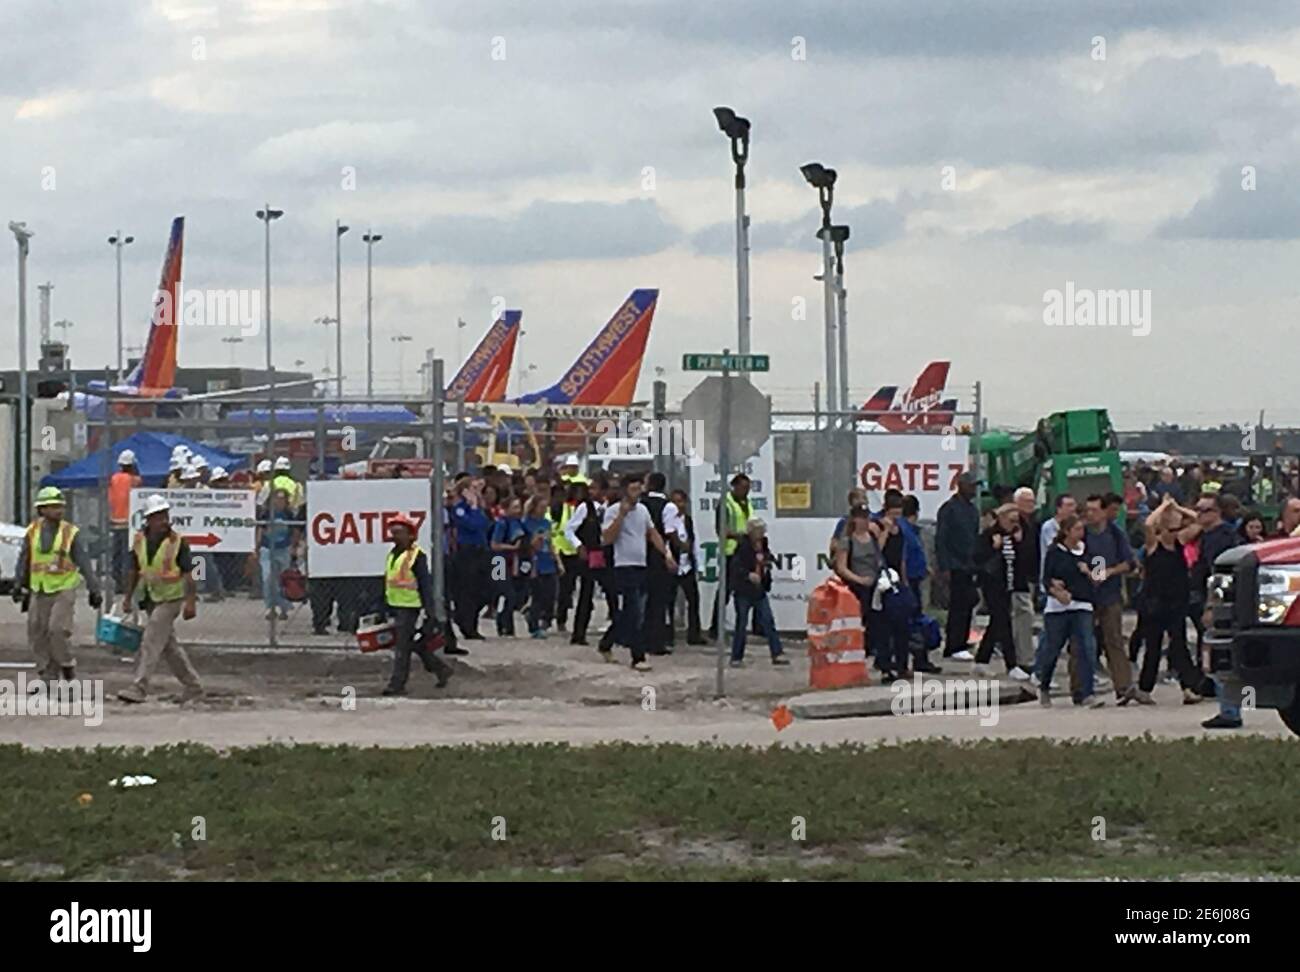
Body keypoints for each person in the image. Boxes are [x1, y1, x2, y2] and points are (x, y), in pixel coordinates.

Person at [117, 494, 202, 703]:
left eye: (165, 516)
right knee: (169, 647)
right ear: (149, 519)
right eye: (158, 516)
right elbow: (134, 571)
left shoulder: (177, 542)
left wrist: (190, 602)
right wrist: (128, 598)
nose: (164, 521)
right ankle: (193, 686)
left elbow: (189, 574)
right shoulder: (139, 540)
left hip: (172, 599)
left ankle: (139, 686)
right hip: (151, 598)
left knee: (151, 639)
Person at [13, 487, 103, 683]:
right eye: (53, 506)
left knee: (57, 630)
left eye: (60, 506)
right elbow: (25, 558)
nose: (58, 510)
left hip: (63, 587)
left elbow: (84, 561)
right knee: (37, 632)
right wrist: (19, 583)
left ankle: (68, 669)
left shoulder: (71, 533)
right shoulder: (33, 530)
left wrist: (93, 588)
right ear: (42, 509)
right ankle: (47, 674)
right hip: (40, 588)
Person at [601, 473, 676, 670]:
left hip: (641, 565)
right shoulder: (613, 511)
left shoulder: (643, 510)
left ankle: (606, 642)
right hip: (623, 566)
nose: (637, 493)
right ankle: (638, 656)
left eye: (639, 488)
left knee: (630, 613)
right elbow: (607, 538)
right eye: (633, 489)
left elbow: (652, 533)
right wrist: (621, 516)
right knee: (634, 610)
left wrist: (666, 554)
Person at [1136, 495, 1204, 705]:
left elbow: (1198, 521)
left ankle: (1188, 687)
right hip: (1155, 603)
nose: (1174, 534)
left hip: (1177, 602)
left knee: (1179, 645)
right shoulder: (1153, 545)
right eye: (1170, 530)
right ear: (1162, 530)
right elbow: (1148, 523)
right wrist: (1164, 507)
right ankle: (1144, 688)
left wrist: (1178, 508)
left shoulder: (1180, 544)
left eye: (1176, 530)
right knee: (1153, 646)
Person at [1035, 514, 1105, 707]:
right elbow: (1045, 578)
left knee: (1087, 648)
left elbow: (1100, 577)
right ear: (1066, 532)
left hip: (1083, 605)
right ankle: (1044, 686)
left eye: (1082, 530)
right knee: (1052, 648)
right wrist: (1054, 588)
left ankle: (1087, 692)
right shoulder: (1054, 552)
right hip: (1058, 608)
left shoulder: (1094, 552)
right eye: (1076, 530)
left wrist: (1088, 572)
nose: (1080, 534)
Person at [381, 516, 453, 696]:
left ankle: (397, 684)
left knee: (402, 647)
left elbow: (425, 585)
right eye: (393, 533)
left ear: (411, 535)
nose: (395, 536)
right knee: (414, 645)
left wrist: (430, 612)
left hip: (412, 607)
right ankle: (441, 669)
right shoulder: (393, 554)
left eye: (399, 533)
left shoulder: (416, 556)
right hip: (397, 605)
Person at [1083, 494, 1137, 703]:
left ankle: (1123, 687)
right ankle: (1081, 689)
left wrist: (1109, 572)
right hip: (1086, 596)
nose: (1090, 514)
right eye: (1087, 510)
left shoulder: (1115, 534)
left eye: (1094, 510)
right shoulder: (1082, 533)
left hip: (1109, 594)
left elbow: (1129, 563)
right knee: (1082, 643)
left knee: (1113, 640)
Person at [973, 503, 1032, 680]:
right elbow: (978, 558)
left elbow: (1022, 561)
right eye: (1011, 520)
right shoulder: (990, 535)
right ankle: (1011, 664)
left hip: (1009, 584)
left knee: (997, 623)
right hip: (993, 585)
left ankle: (981, 661)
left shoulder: (1014, 536)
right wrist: (994, 548)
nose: (1014, 523)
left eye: (1016, 520)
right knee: (1003, 622)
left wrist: (1020, 542)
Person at [565, 475, 619, 649]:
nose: (591, 492)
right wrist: (579, 545)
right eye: (590, 489)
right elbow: (570, 529)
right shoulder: (584, 508)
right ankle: (579, 633)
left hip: (607, 554)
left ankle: (617, 630)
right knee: (586, 594)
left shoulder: (612, 509)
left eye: (595, 489)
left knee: (612, 593)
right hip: (589, 555)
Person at [727, 518, 789, 667]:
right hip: (744, 590)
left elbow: (766, 556)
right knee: (741, 624)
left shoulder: (763, 544)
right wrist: (748, 575)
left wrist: (769, 562)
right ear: (751, 531)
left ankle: (777, 653)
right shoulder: (743, 546)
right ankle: (736, 657)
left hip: (759, 589)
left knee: (768, 620)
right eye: (759, 530)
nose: (762, 533)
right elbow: (736, 567)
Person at [934, 472, 980, 660]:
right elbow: (942, 539)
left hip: (969, 565)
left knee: (969, 601)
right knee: (958, 605)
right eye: (971, 485)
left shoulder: (972, 510)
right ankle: (954, 645)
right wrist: (944, 566)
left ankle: (962, 640)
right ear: (961, 485)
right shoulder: (949, 509)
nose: (974, 489)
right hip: (955, 564)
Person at [833, 505, 884, 669]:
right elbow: (842, 567)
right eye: (861, 517)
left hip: (875, 584)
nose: (864, 521)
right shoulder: (847, 540)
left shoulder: (872, 537)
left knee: (877, 620)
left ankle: (875, 650)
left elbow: (878, 558)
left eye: (866, 517)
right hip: (856, 585)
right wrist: (859, 580)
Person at [641, 471, 682, 656]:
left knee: (643, 599)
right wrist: (673, 553)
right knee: (659, 600)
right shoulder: (669, 507)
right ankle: (657, 641)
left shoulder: (641, 504)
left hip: (640, 553)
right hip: (659, 555)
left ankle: (642, 638)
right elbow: (669, 532)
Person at [710, 473, 753, 638]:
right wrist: (739, 535)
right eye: (743, 488)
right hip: (730, 552)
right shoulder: (726, 503)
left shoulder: (746, 503)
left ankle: (750, 626)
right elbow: (721, 529)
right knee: (724, 592)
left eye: (748, 488)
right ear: (734, 487)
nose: (746, 491)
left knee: (749, 590)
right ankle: (716, 627)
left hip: (745, 552)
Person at [450, 477, 491, 641]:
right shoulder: (459, 509)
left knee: (489, 587)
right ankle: (468, 625)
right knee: (468, 590)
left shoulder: (479, 508)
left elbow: (484, 523)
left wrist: (476, 507)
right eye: (473, 488)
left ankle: (466, 617)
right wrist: (473, 507)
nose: (477, 492)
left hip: (483, 551)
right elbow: (472, 525)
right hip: (467, 552)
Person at [669, 488, 705, 645]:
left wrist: (699, 564)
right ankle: (667, 634)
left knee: (693, 600)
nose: (678, 505)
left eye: (681, 501)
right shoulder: (667, 520)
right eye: (675, 502)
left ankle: (694, 634)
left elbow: (694, 542)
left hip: (687, 565)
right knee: (669, 602)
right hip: (672, 564)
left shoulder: (688, 520)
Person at [490, 495, 528, 636]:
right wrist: (512, 547)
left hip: (513, 562)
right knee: (506, 593)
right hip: (498, 562)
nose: (518, 510)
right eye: (515, 507)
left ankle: (508, 625)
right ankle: (502, 623)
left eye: (519, 507)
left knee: (514, 594)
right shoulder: (501, 523)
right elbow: (494, 545)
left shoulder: (519, 523)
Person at [524, 493, 561, 638]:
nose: (544, 510)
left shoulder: (546, 523)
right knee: (537, 596)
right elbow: (526, 545)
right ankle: (534, 625)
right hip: (534, 562)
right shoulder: (526, 523)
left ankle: (546, 619)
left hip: (548, 561)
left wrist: (557, 561)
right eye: (541, 507)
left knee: (551, 595)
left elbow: (550, 543)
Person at [257, 488, 295, 621]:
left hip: (283, 549)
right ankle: (270, 607)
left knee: (283, 580)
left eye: (282, 499)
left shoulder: (288, 514)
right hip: (267, 549)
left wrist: (294, 547)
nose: (279, 501)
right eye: (277, 498)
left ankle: (283, 607)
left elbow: (294, 531)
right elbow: (260, 530)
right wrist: (256, 547)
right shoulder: (266, 513)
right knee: (267, 578)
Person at [108, 449, 142, 593]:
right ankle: (128, 585)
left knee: (117, 555)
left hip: (115, 521)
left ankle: (118, 584)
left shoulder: (114, 478)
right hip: (130, 524)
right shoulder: (135, 480)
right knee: (128, 556)